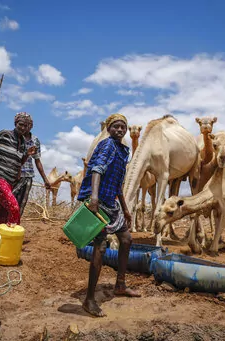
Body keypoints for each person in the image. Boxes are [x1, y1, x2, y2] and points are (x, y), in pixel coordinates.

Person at [76, 113, 140, 318]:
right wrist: (94, 198)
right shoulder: (107, 145)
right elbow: (96, 170)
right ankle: (89, 300)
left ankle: (120, 285)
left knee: (127, 239)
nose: (120, 130)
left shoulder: (123, 150)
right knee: (100, 247)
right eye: (116, 127)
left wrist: (126, 208)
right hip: (99, 203)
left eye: (123, 127)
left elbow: (118, 184)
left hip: (111, 204)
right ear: (109, 129)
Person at [0, 112, 51, 217]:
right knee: (4, 204)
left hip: (26, 176)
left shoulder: (34, 141)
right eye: (22, 124)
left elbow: (37, 161)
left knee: (19, 206)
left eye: (28, 125)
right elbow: (3, 159)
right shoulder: (8, 136)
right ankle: (0, 226)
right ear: (16, 124)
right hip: (10, 177)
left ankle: (12, 227)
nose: (25, 127)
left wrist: (45, 179)